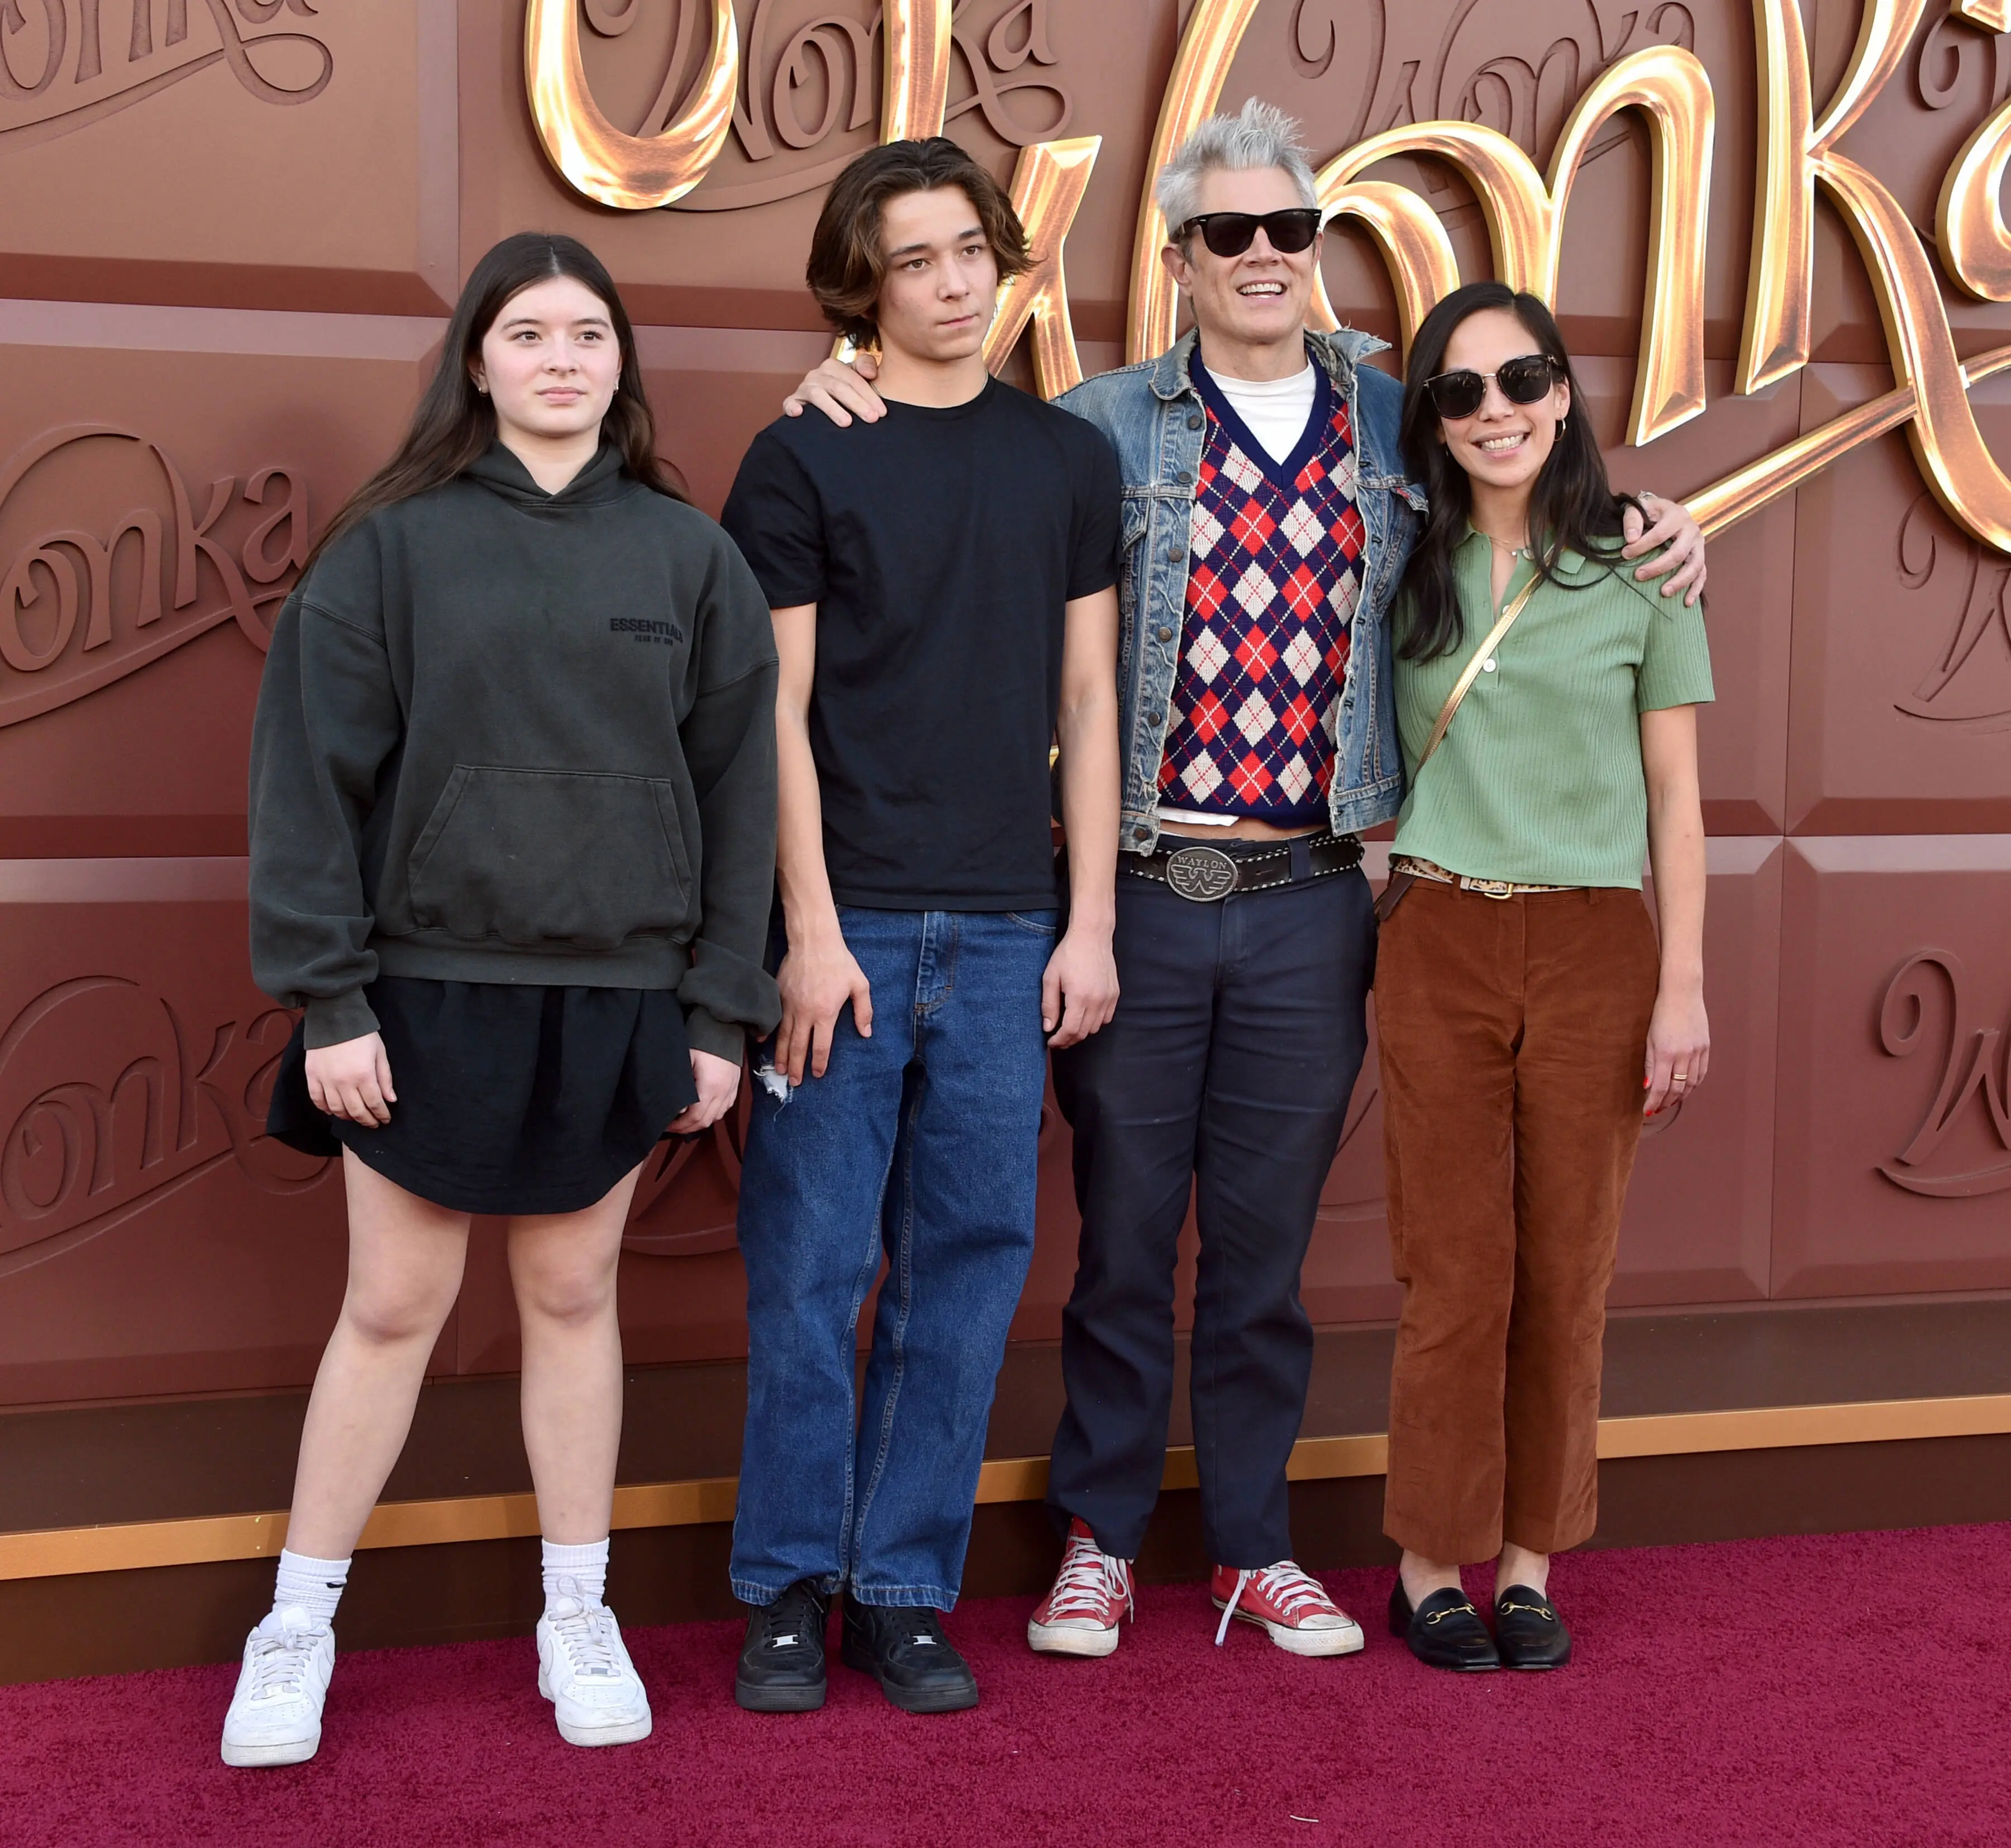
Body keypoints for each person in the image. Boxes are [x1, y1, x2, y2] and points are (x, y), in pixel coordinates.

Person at [784, 101, 1708, 1662]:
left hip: (1310, 898)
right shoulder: (1098, 423)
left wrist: (1648, 516)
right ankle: (1101, 1537)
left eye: (1294, 228)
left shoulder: (1392, 417)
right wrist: (842, 375)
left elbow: (1521, 475)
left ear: (1320, 249)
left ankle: (1255, 1546)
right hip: (1141, 883)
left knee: (1267, 1251)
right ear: (1182, 259)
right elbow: (954, 459)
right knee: (1127, 1239)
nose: (1267, 254)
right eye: (1233, 232)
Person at [223, 232, 780, 1765]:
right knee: (394, 1304)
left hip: (618, 997)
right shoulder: (392, 547)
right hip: (419, 995)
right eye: (526, 332)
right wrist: (328, 1001)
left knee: (571, 1295)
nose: (558, 358)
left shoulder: (689, 555)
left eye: (586, 332)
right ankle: (297, 1624)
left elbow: (740, 803)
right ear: (476, 358)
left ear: (620, 362)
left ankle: (577, 1610)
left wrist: (723, 1013)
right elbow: (306, 787)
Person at [719, 137, 1123, 1715]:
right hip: (854, 930)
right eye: (918, 260)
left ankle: (902, 1590)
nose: (957, 282)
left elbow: (1088, 700)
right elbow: (776, 711)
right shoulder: (803, 457)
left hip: (1016, 928)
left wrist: (1089, 921)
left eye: (975, 250)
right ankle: (787, 1588)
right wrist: (805, 933)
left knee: (969, 1269)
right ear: (860, 282)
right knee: (813, 1270)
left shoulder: (1066, 459)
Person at [1377, 280, 1713, 1671]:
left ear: (1565, 394)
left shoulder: (1644, 568)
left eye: (1520, 381)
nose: (1494, 411)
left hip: (1595, 944)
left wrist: (1683, 986)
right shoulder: (1396, 563)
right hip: (1441, 933)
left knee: (1569, 1270)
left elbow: (1680, 802)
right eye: (1458, 393)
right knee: (1452, 1271)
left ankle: (1529, 1558)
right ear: (1434, 423)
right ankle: (1423, 1562)